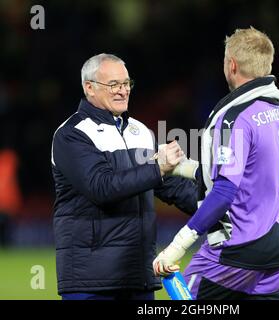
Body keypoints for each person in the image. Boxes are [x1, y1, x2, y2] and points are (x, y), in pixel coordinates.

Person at [153, 27, 279, 300]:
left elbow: (225, 192)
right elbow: (245, 177)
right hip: (278, 246)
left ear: (231, 65)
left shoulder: (233, 118)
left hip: (237, 247)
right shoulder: (276, 112)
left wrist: (177, 246)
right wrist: (181, 166)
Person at [51, 53, 198, 300]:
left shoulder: (140, 131)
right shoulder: (71, 134)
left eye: (126, 83)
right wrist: (157, 168)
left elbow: (170, 186)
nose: (123, 91)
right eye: (113, 85)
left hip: (137, 276)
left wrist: (219, 208)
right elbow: (101, 187)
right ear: (89, 88)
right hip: (92, 282)